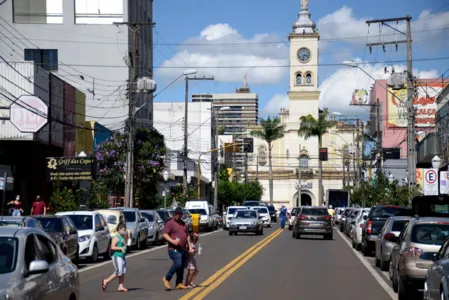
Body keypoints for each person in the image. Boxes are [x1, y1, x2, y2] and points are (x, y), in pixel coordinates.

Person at [162, 207, 189, 290]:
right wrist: (172, 241)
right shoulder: (170, 223)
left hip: (182, 248)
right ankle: (167, 278)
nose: (177, 215)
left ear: (181, 215)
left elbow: (187, 236)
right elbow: (164, 234)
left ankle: (179, 283)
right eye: (176, 213)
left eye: (179, 214)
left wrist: (190, 247)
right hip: (173, 248)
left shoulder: (183, 224)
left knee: (181, 266)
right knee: (178, 263)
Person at [102, 222, 128, 292]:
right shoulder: (116, 237)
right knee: (118, 271)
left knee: (122, 272)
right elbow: (112, 247)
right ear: (119, 229)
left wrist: (124, 247)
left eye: (125, 229)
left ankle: (121, 286)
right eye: (123, 229)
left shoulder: (121, 237)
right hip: (117, 256)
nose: (124, 231)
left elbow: (124, 244)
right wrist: (120, 248)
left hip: (122, 256)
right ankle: (106, 281)